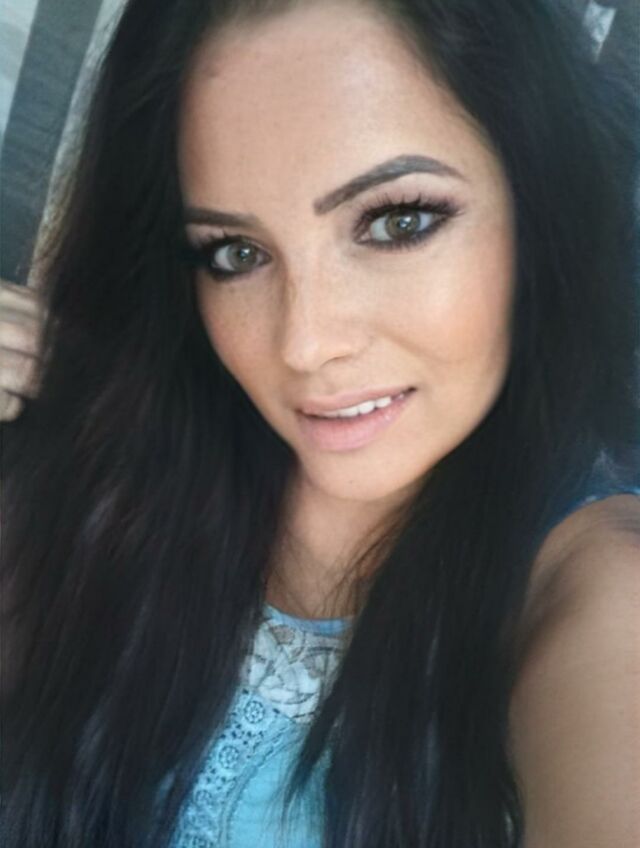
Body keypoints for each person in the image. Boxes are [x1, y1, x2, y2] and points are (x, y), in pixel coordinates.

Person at [1, 1, 639, 846]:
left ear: (540, 205)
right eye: (235, 253)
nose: (302, 345)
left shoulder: (602, 599)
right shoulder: (121, 459)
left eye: (398, 221)